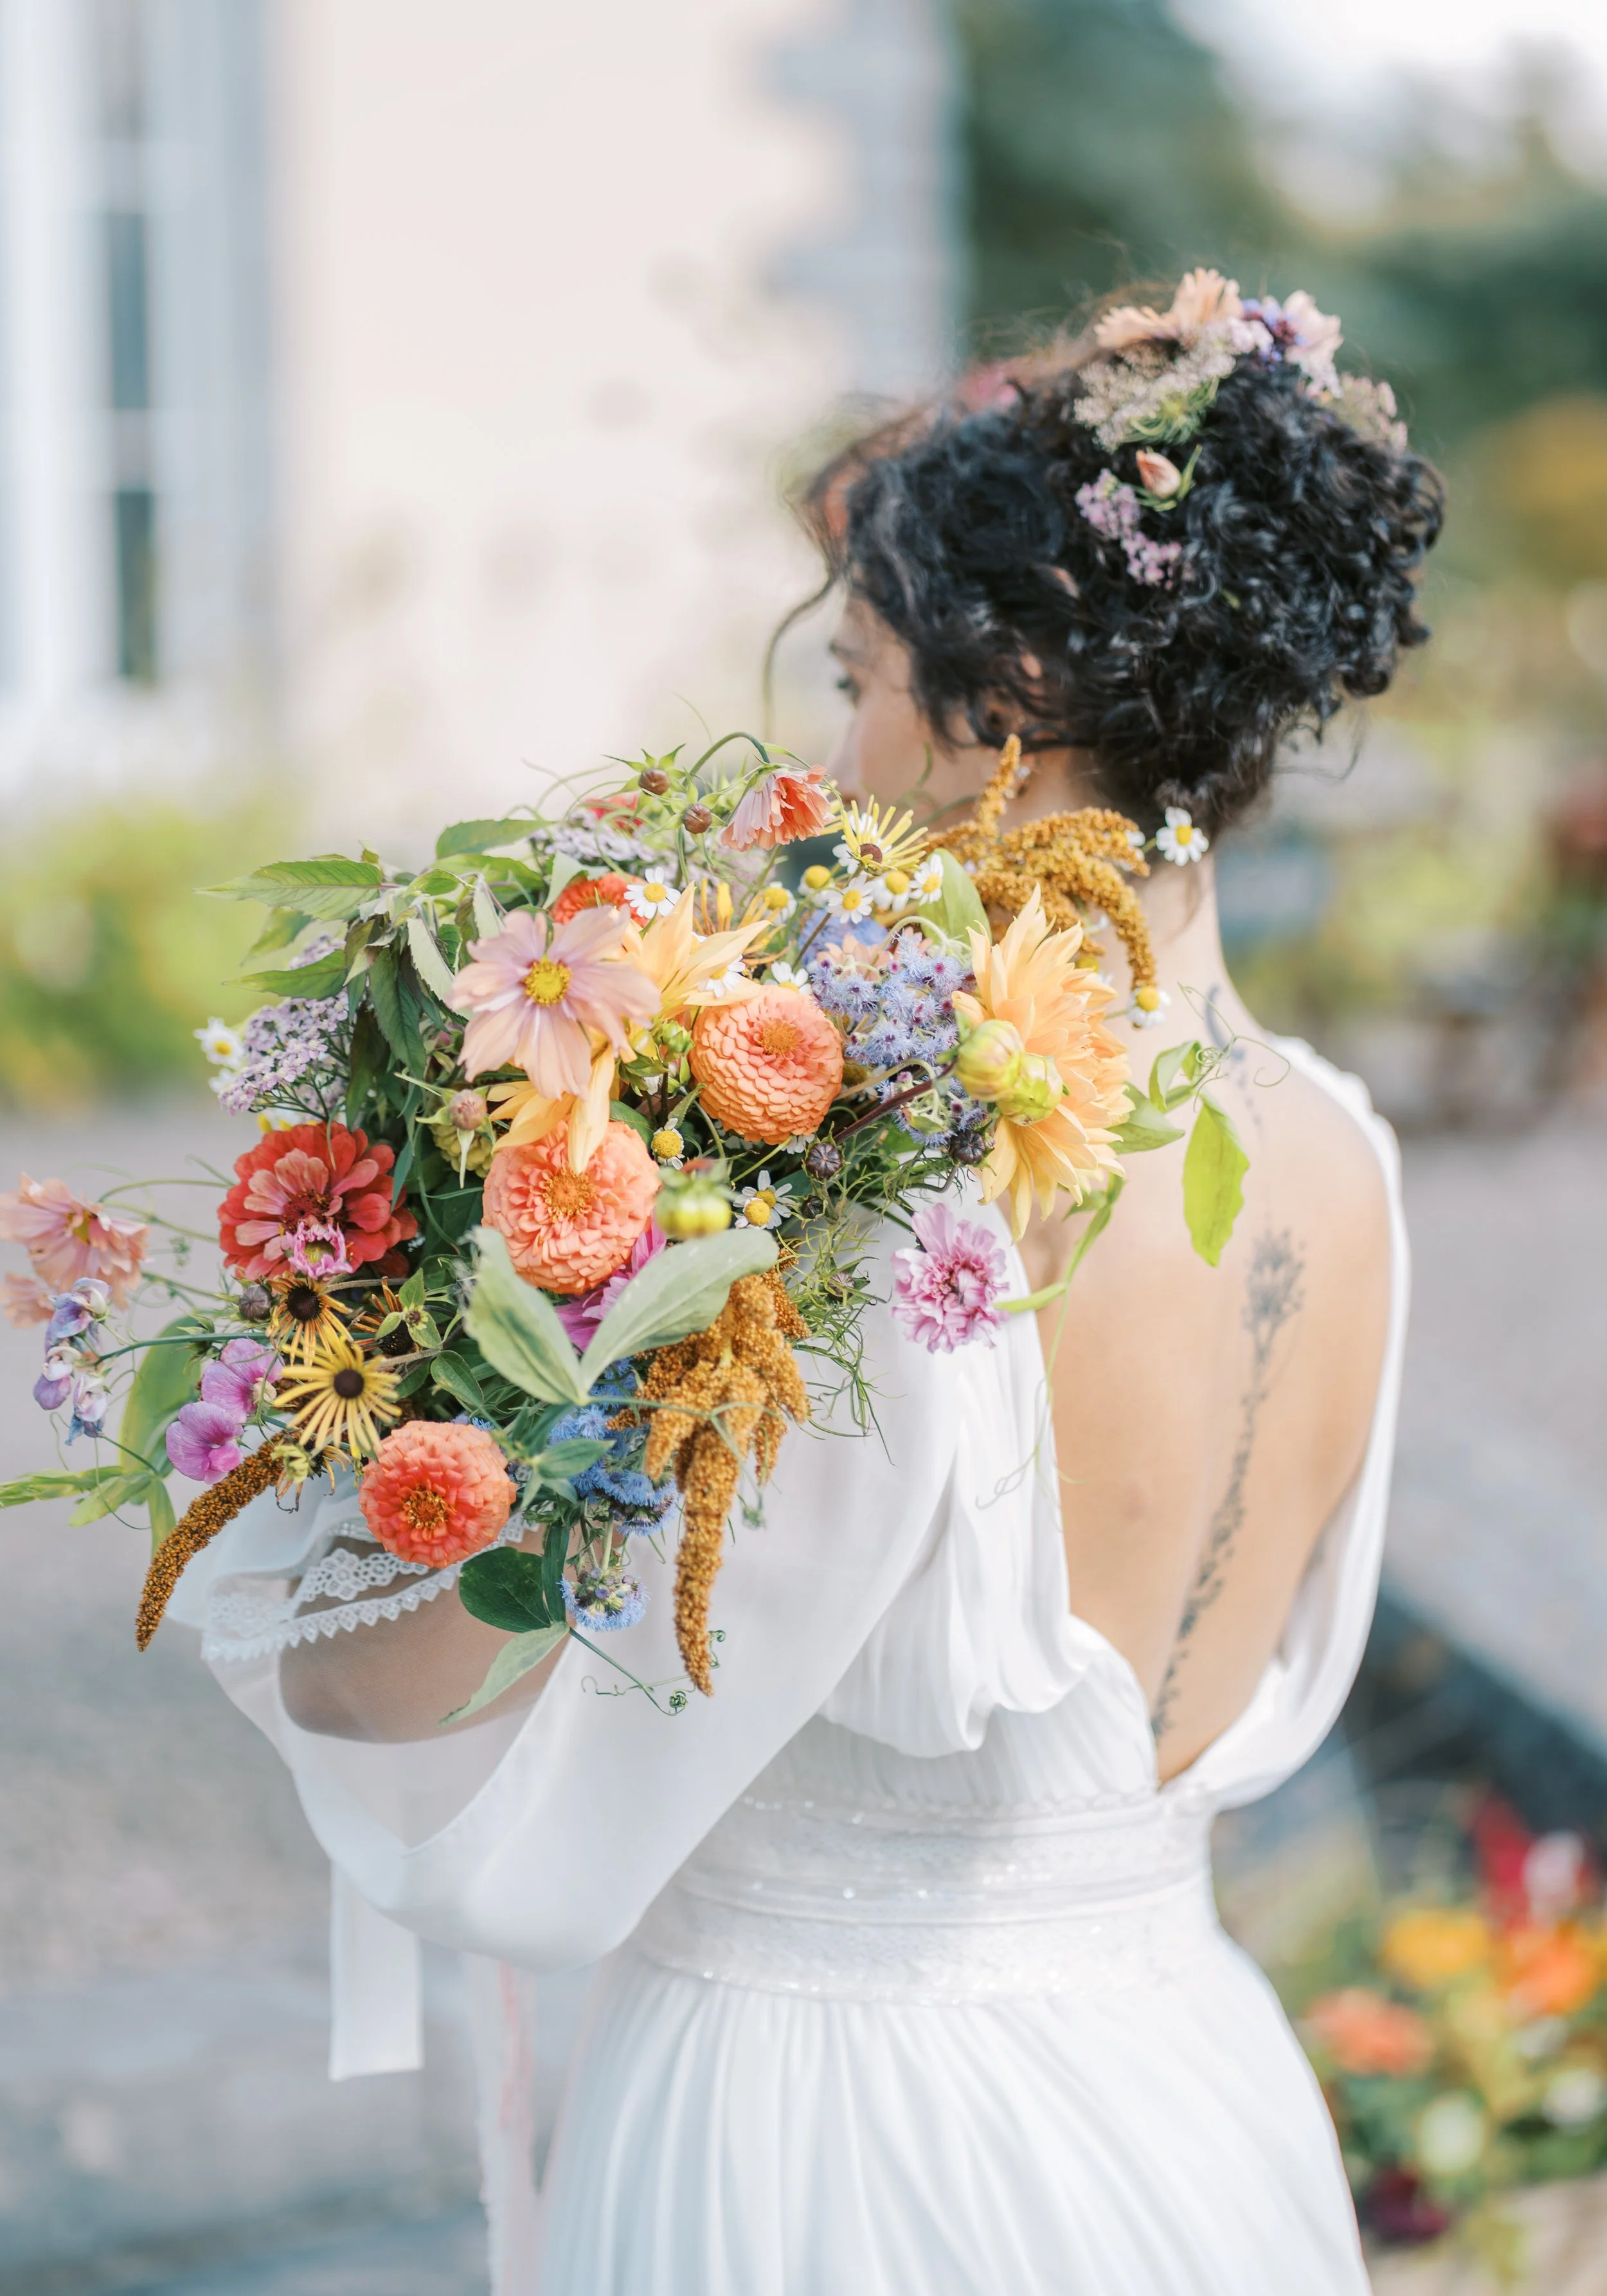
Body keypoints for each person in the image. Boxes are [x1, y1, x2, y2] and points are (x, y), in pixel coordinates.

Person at [175, 274, 1443, 2293]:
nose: (828, 740)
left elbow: (403, 1678)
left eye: (855, 672)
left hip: (838, 2145)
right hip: (1187, 2107)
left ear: (1002, 692)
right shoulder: (1349, 1164)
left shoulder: (894, 1203)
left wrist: (333, 1434)